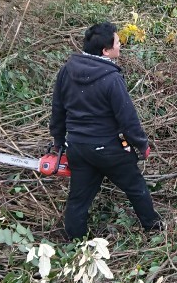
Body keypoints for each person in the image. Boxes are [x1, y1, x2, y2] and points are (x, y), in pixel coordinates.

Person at [50, 22, 162, 239]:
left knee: (78, 199)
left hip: (78, 148)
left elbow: (58, 110)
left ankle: (75, 242)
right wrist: (141, 144)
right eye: (118, 42)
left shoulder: (66, 71)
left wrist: (58, 141)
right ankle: (155, 229)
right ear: (105, 50)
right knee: (136, 187)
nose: (121, 45)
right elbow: (127, 118)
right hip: (109, 149)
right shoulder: (111, 79)